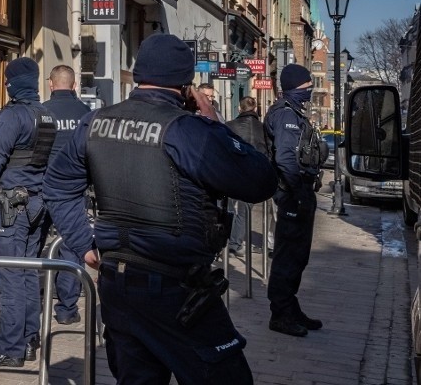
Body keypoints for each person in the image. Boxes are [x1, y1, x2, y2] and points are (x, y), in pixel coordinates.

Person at [43, 34, 278, 384]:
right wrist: (214, 125)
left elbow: (58, 184)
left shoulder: (96, 123)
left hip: (118, 286)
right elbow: (261, 181)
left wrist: (83, 244)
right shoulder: (188, 131)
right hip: (175, 289)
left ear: (139, 74)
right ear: (185, 84)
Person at [0, 57, 56, 367]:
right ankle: (30, 338)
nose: (5, 84)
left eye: (8, 80)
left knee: (9, 277)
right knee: (29, 272)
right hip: (36, 203)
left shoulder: (13, 116)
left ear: (15, 83)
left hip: (10, 206)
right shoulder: (46, 116)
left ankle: (10, 348)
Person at [264, 63, 323, 337]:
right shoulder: (285, 114)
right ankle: (281, 313)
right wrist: (297, 191)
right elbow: (286, 159)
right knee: (288, 255)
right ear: (294, 86)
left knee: (298, 255)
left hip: (298, 191)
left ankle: (290, 306)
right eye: (306, 85)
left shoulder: (294, 111)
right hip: (292, 193)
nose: (309, 88)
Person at [41, 65, 90, 325]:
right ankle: (66, 308)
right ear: (73, 86)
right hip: (72, 191)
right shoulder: (85, 114)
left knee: (33, 243)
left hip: (40, 187)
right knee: (70, 247)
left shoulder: (42, 111)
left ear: (50, 84)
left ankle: (33, 296)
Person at [226, 96, 270, 258]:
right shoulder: (263, 128)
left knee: (228, 209)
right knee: (244, 212)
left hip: (232, 175)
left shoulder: (229, 126)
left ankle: (226, 241)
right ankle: (235, 244)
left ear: (240, 109)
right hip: (253, 175)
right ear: (256, 110)